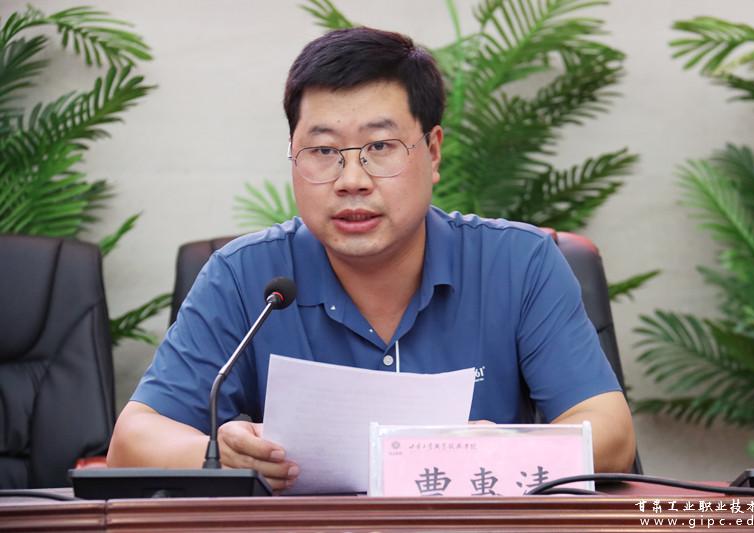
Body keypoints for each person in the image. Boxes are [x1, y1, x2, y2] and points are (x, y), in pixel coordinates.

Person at [108, 27, 635, 490]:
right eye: (323, 151)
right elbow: (133, 441)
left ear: (432, 152)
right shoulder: (246, 277)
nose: (352, 180)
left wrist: (492, 453)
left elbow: (611, 436)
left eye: (380, 147)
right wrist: (218, 456)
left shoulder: (518, 264)